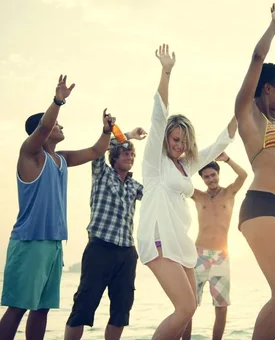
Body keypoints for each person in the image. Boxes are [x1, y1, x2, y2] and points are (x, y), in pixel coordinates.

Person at [0, 75, 115, 340]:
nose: (60, 126)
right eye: (56, 124)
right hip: (30, 242)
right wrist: (57, 101)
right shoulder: (31, 154)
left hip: (53, 244)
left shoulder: (61, 159)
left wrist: (107, 130)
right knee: (18, 308)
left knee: (42, 309)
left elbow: (97, 150)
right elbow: (42, 128)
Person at [137, 44, 237, 340]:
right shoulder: (155, 162)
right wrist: (166, 71)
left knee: (191, 307)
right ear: (166, 137)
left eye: (183, 140)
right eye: (175, 138)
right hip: (158, 239)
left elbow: (220, 143)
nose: (179, 144)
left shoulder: (186, 166)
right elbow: (159, 115)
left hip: (181, 242)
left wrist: (244, 109)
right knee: (183, 308)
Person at [234, 4, 275, 340]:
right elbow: (258, 60)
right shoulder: (250, 115)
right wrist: (274, 26)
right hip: (261, 206)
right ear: (267, 89)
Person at [64, 126, 147, 340]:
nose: (130, 157)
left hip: (126, 253)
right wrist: (127, 136)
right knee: (83, 306)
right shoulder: (101, 173)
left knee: (121, 311)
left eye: (132, 154)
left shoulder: (135, 186)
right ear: (115, 157)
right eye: (125, 153)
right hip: (100, 249)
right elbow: (102, 146)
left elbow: (155, 194)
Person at [181, 151, 248, 340]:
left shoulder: (229, 192)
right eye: (206, 176)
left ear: (218, 174)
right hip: (199, 255)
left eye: (213, 175)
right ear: (201, 178)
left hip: (222, 256)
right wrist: (189, 162)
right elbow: (179, 181)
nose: (211, 179)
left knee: (221, 306)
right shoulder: (199, 196)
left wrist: (227, 159)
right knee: (189, 304)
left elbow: (243, 175)